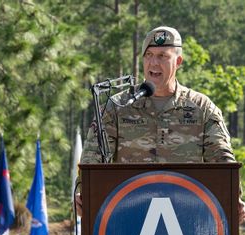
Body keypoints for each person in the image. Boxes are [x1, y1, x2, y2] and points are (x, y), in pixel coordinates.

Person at [75, 26, 245, 222]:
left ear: (178, 61)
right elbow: (92, 158)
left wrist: (233, 196)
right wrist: (83, 193)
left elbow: (223, 161)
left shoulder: (202, 108)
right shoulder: (118, 106)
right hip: (129, 218)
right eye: (149, 55)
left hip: (187, 219)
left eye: (163, 56)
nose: (154, 63)